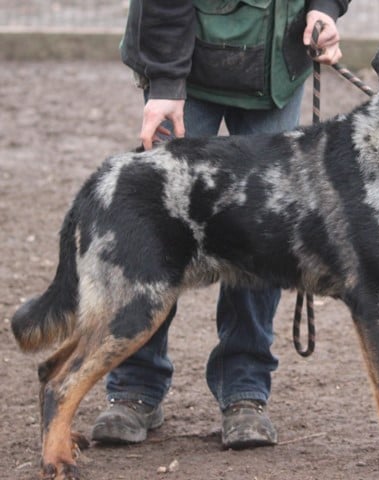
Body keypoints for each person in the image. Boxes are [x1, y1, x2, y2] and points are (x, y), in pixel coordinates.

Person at [91, 0, 349, 450]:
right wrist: (166, 80)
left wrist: (323, 8)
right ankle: (135, 389)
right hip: (185, 74)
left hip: (275, 74)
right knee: (158, 229)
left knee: (263, 232)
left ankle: (245, 392)